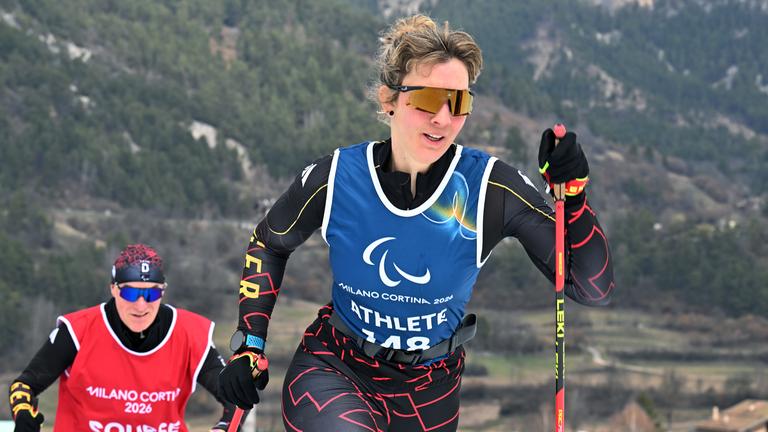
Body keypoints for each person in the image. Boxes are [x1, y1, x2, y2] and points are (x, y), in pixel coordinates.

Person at [219, 14, 614, 432]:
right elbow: (270, 242)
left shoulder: (489, 188)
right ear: (390, 99)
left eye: (459, 102)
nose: (443, 118)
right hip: (336, 370)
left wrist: (573, 198)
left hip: (431, 393)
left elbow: (591, 287)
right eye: (428, 99)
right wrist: (250, 344)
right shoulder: (336, 176)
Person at [8, 244, 242, 432]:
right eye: (130, 292)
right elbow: (24, 385)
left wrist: (223, 427)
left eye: (151, 293)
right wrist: (23, 413)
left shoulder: (189, 335)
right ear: (113, 289)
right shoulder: (78, 332)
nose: (141, 305)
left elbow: (236, 397)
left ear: (163, 291)